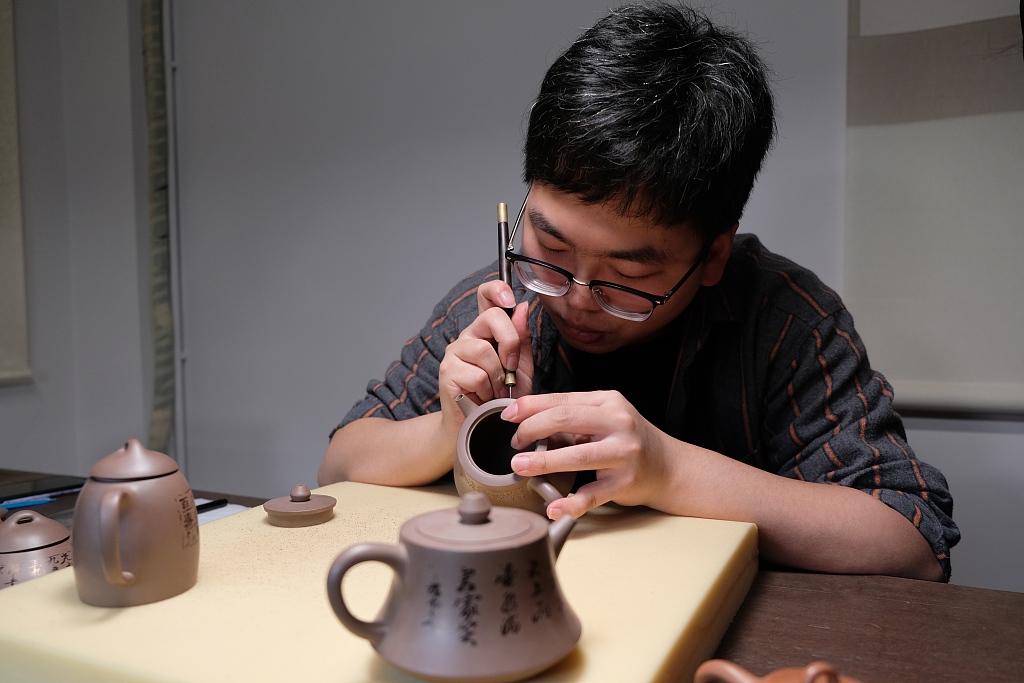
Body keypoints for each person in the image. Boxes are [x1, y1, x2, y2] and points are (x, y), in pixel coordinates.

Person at [319, 3, 959, 582]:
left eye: (626, 279)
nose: (574, 298)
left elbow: (910, 540)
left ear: (712, 253)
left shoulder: (784, 318)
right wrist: (446, 430)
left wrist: (669, 470)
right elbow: (340, 465)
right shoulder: (503, 303)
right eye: (552, 248)